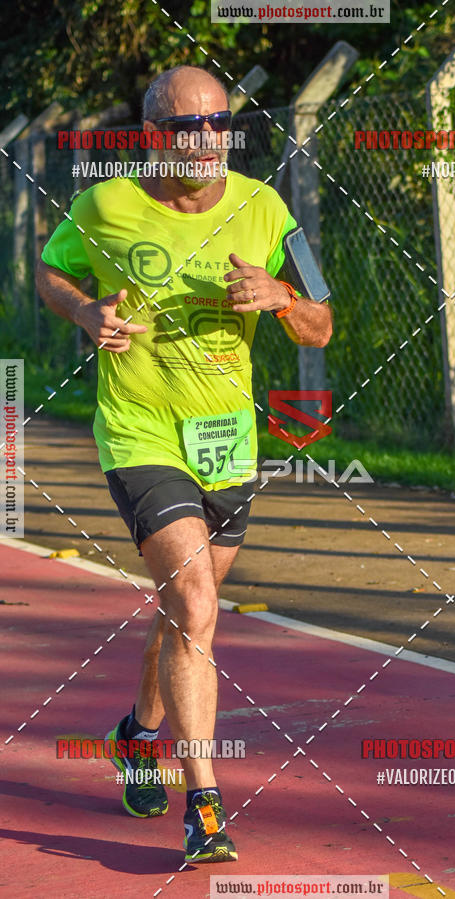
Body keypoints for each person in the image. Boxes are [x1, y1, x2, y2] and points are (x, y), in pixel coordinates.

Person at [36, 64, 332, 865]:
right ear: (151, 136)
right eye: (186, 127)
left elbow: (322, 323)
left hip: (227, 440)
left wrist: (279, 296)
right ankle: (205, 806)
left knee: (182, 615)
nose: (205, 140)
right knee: (196, 606)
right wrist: (85, 310)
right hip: (137, 433)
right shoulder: (106, 204)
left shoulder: (266, 208)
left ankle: (136, 734)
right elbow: (50, 270)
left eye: (218, 124)